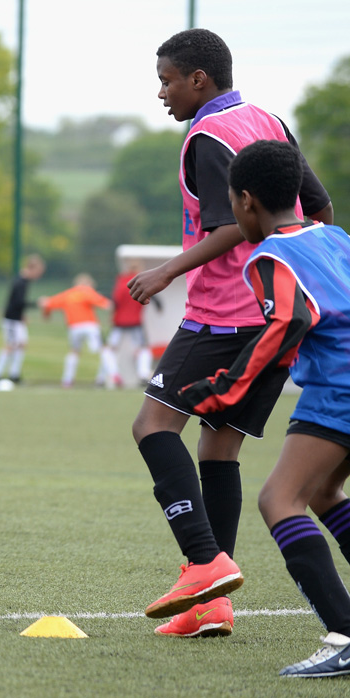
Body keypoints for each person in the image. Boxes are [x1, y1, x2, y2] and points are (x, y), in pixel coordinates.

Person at [126, 28, 333, 637]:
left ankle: (202, 561)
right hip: (275, 316)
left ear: (199, 79)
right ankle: (211, 604)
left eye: (166, 80)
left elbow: (230, 227)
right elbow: (318, 208)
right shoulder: (269, 119)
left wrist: (166, 271)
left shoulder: (207, 134)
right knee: (219, 448)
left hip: (223, 312)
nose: (161, 92)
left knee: (153, 424)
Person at [176, 140, 350, 675]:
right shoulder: (337, 237)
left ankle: (344, 633)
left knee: (279, 500)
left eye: (229, 203)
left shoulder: (269, 256)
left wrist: (225, 389)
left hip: (338, 389)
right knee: (322, 492)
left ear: (246, 201)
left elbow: (287, 322)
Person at [41, 274, 110, 388]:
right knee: (104, 350)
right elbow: (107, 305)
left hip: (73, 327)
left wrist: (46, 314)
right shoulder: (87, 291)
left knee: (74, 352)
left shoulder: (68, 294)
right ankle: (113, 376)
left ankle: (67, 380)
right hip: (90, 325)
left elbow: (46, 302)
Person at [0, 254, 45, 385]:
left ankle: (15, 374)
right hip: (11, 320)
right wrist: (37, 303)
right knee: (10, 346)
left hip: (17, 319)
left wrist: (22, 316)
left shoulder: (25, 281)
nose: (39, 275)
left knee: (21, 344)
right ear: (32, 268)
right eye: (38, 272)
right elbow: (18, 302)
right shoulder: (20, 282)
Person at [99, 261, 151, 390]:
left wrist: (111, 317)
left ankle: (114, 374)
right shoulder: (142, 282)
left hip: (119, 322)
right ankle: (143, 374)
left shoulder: (121, 282)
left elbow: (115, 301)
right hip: (135, 321)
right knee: (143, 348)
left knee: (110, 349)